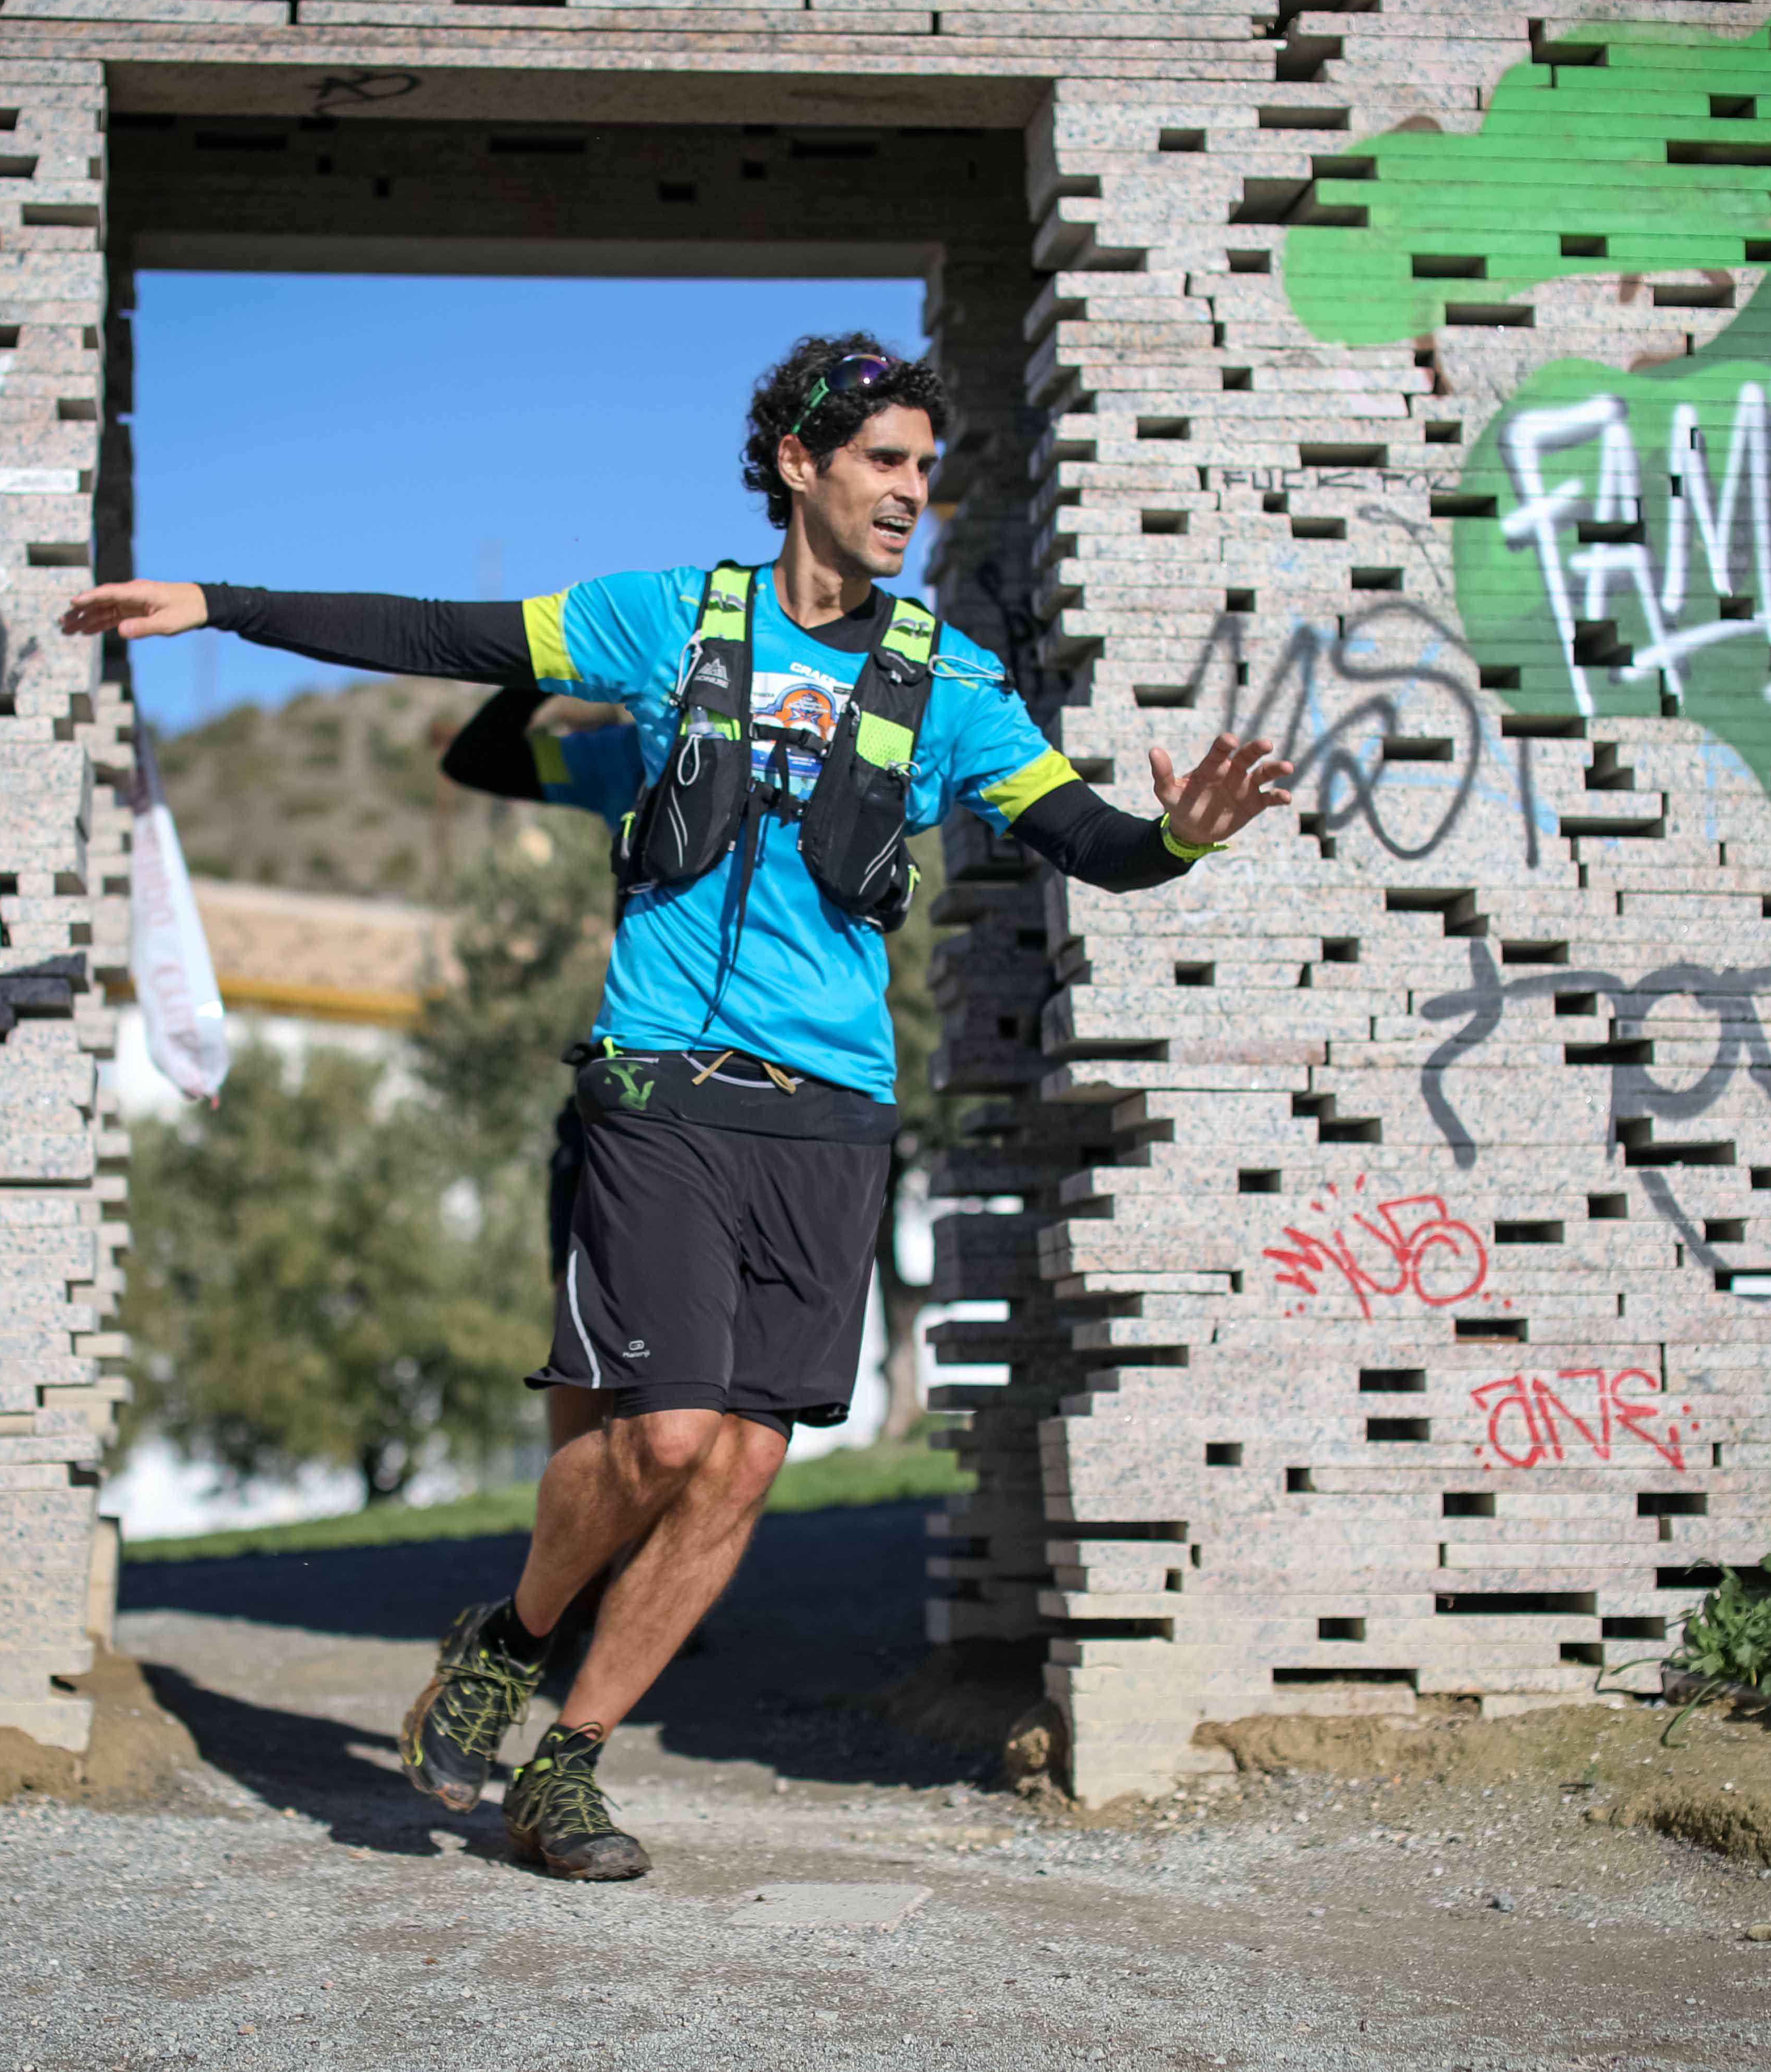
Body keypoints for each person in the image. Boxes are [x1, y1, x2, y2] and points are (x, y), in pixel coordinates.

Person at [63, 333, 1292, 1881]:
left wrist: (1179, 838)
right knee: (664, 1436)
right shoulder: (670, 620)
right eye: (884, 463)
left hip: (833, 1112)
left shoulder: (952, 682)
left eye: (926, 467)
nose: (914, 494)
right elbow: (450, 639)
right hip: (663, 1086)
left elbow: (1095, 840)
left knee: (744, 1466)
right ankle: (506, 1640)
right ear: (800, 464)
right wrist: (224, 606)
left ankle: (568, 1762)